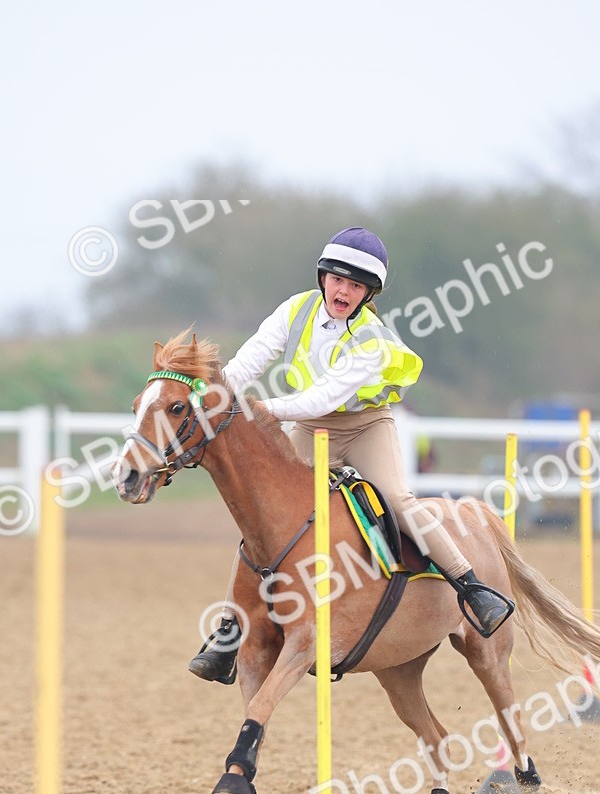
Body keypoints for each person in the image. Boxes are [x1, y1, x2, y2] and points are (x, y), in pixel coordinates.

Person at [189, 226, 512, 683]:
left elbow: (322, 396)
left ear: (368, 294)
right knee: (263, 516)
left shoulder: (372, 339)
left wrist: (265, 410)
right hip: (309, 426)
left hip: (364, 427)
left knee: (399, 503)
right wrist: (218, 394)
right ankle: (228, 632)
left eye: (356, 285)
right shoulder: (294, 309)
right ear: (323, 278)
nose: (344, 291)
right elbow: (249, 360)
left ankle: (473, 587)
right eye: (338, 279)